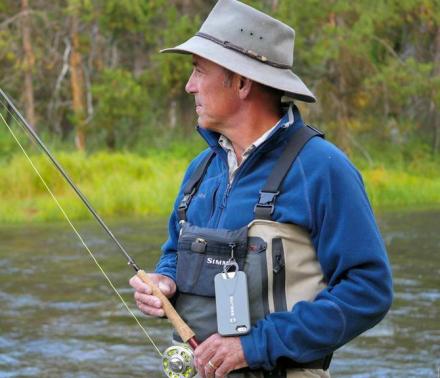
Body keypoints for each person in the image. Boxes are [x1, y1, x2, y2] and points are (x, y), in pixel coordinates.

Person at [129, 1, 393, 377]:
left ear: (241, 82)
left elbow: (369, 291)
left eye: (199, 71)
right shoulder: (199, 172)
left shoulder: (323, 169)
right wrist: (164, 280)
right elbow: (173, 252)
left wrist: (253, 347)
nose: (190, 86)